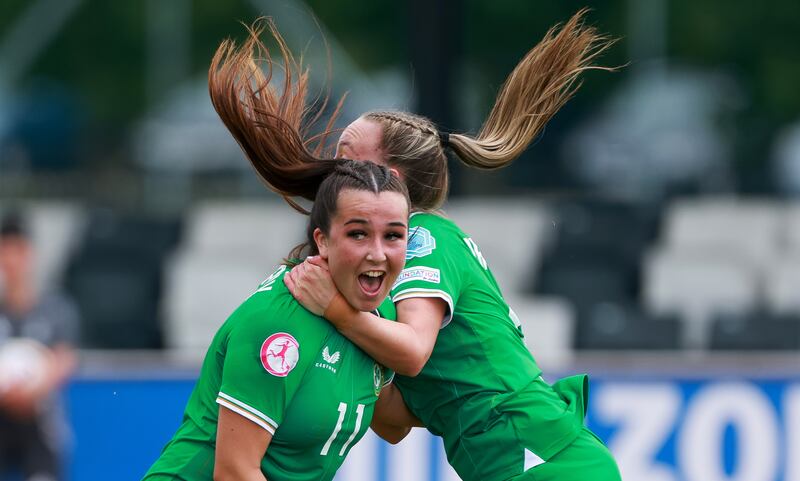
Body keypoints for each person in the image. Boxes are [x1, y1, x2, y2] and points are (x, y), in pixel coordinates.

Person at [206, 11, 621, 481]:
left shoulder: (423, 237)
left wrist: (336, 313)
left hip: (538, 456)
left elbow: (414, 352)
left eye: (347, 156)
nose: (332, 169)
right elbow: (396, 422)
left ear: (392, 181)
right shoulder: (380, 274)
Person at [143, 155, 419, 481]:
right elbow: (234, 472)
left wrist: (480, 402)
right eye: (358, 234)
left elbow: (391, 422)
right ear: (323, 241)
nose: (377, 253)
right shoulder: (279, 323)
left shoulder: (378, 313)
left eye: (393, 236)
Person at [0, 210, 79, 481]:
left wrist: (36, 388)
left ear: (29, 254)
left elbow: (65, 359)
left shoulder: (55, 309)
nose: (10, 260)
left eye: (17, 251)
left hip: (39, 421)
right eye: (4, 251)